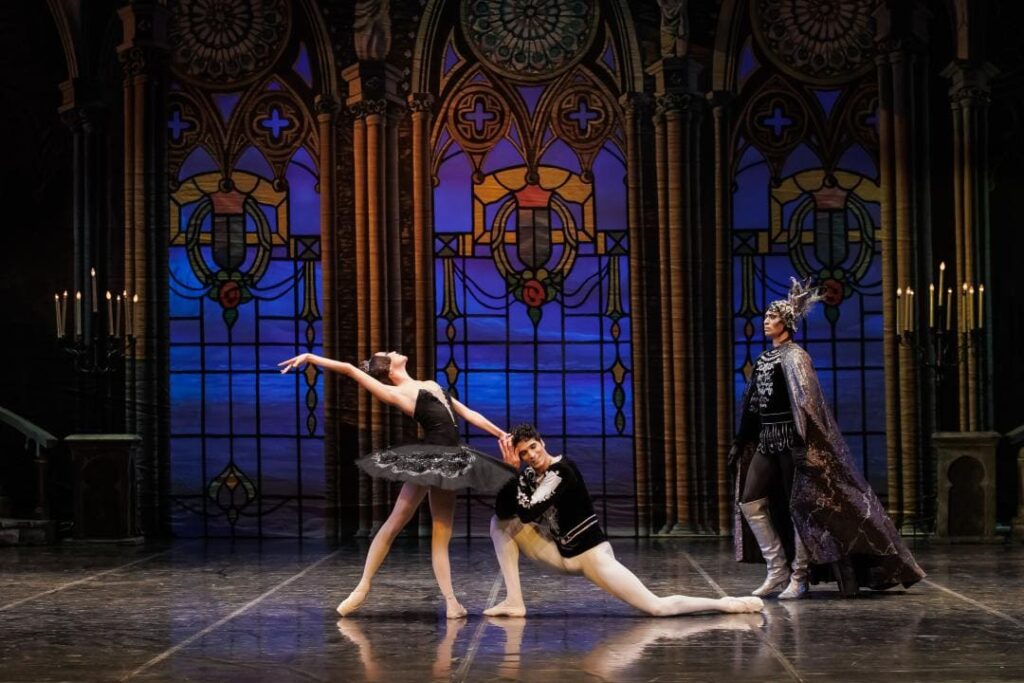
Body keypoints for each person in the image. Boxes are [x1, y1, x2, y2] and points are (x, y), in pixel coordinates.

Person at [279, 351, 514, 618]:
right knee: (398, 523)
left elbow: (467, 412)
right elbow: (348, 368)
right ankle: (363, 586)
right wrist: (310, 357)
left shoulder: (430, 384)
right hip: (434, 458)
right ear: (389, 368)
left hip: (448, 460)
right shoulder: (396, 392)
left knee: (436, 533)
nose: (394, 351)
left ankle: (450, 603)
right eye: (388, 353)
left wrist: (501, 433)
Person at [730, 278, 925, 599]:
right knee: (750, 500)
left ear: (786, 323)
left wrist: (803, 443)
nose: (766, 321)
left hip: (792, 441)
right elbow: (754, 404)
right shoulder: (764, 359)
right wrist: (742, 439)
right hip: (768, 439)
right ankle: (777, 570)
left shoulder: (797, 357)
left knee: (799, 507)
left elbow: (808, 404)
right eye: (765, 316)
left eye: (772, 317)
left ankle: (800, 575)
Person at [485, 423, 764, 617]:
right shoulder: (528, 475)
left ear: (542, 442)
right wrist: (510, 472)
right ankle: (514, 601)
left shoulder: (562, 470)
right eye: (523, 453)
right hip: (560, 553)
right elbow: (505, 509)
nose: (531, 456)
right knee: (499, 524)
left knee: (656, 607)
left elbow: (528, 512)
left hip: (591, 556)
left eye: (533, 447)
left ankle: (725, 604)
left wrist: (513, 475)